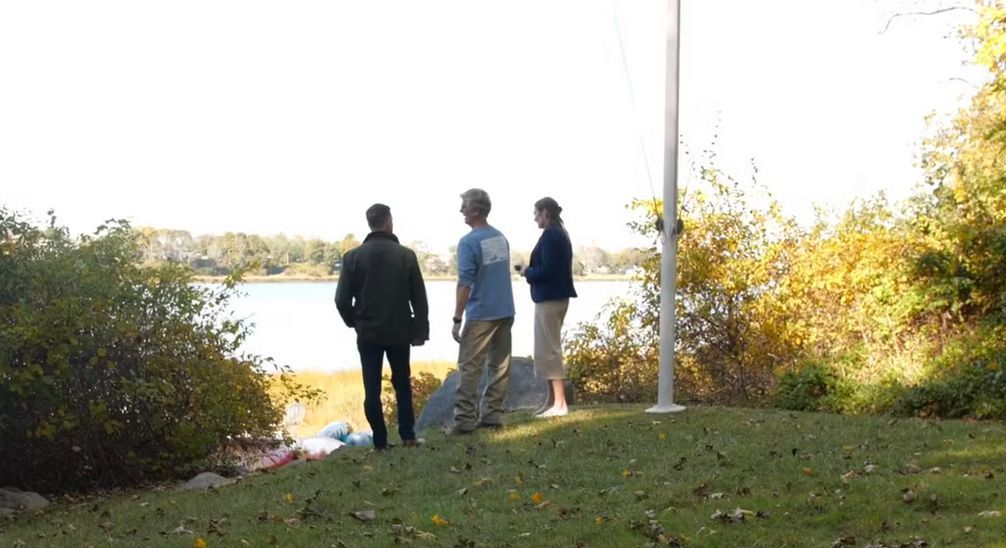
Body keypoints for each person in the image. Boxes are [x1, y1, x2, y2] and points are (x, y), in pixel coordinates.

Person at [335, 203, 429, 450]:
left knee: (371, 387)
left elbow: (341, 300)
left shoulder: (352, 257)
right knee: (402, 385)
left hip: (368, 332)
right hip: (399, 331)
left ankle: (380, 441)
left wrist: (354, 322)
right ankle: (408, 435)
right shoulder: (406, 255)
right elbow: (419, 298)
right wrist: (421, 331)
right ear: (388, 222)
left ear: (370, 223)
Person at [446, 188, 516, 434]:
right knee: (499, 366)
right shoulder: (500, 237)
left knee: (469, 367)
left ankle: (464, 420)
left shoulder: (468, 242)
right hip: (505, 310)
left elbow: (465, 282)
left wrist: (457, 318)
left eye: (464, 206)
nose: (461, 211)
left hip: (481, 313)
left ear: (476, 210)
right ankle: (491, 417)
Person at [518, 197, 577, 417]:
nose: (535, 218)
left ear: (545, 212)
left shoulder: (552, 235)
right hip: (550, 298)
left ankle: (560, 404)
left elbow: (548, 271)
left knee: (550, 349)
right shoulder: (558, 233)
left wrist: (527, 272)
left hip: (551, 298)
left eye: (536, 213)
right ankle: (551, 401)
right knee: (544, 349)